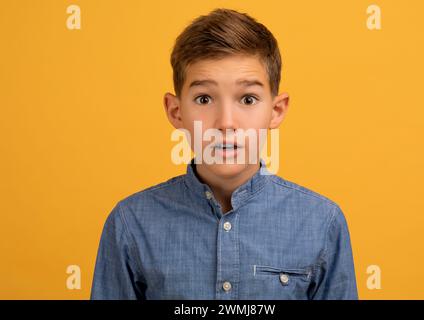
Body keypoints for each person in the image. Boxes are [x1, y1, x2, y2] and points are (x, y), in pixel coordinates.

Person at [90, 8, 358, 300]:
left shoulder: (322, 222)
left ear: (276, 110)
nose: (226, 122)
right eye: (204, 99)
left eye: (247, 99)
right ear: (176, 111)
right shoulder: (130, 223)